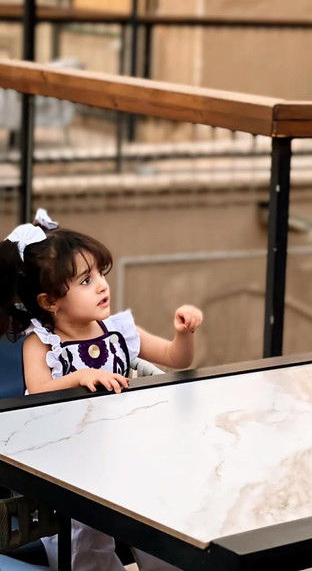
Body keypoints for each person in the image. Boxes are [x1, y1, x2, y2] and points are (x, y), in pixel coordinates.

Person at [0, 208, 204, 571]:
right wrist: (78, 377)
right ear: (50, 302)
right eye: (85, 280)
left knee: (161, 525)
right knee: (84, 545)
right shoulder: (42, 344)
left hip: (123, 455)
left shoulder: (118, 331)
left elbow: (177, 359)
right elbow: (39, 389)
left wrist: (183, 334)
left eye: (99, 274)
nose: (101, 285)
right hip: (66, 468)